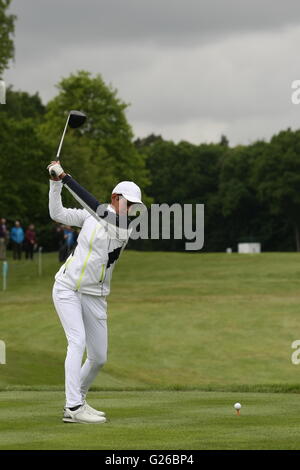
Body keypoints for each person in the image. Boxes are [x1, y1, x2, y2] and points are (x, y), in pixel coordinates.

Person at [47, 160, 144, 424]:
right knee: (76, 342)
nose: (132, 209)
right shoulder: (91, 216)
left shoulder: (124, 226)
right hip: (67, 287)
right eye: (129, 203)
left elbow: (97, 209)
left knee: (99, 357)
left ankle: (78, 399)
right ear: (115, 197)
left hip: (95, 296)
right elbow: (58, 214)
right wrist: (55, 185)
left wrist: (67, 177)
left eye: (135, 206)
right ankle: (74, 406)